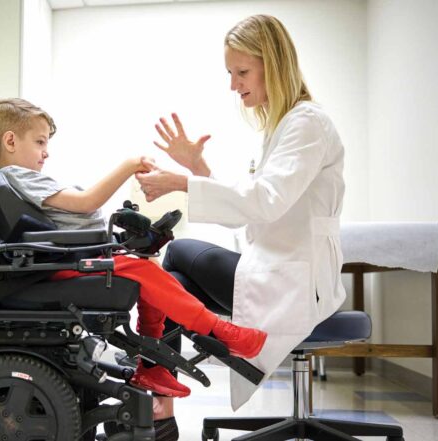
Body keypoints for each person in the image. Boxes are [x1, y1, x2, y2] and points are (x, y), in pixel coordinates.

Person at [0, 98, 267, 436]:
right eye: (40, 141)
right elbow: (86, 202)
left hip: (67, 257)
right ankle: (219, 332)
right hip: (61, 263)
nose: (46, 152)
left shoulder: (16, 178)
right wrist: (129, 165)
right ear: (11, 141)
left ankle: (150, 364)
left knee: (148, 267)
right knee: (145, 271)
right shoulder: (20, 175)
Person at [136, 14, 347, 410]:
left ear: (274, 63)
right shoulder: (282, 129)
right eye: (231, 73)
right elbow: (249, 206)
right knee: (171, 282)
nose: (234, 85)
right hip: (275, 268)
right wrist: (197, 168)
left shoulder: (308, 124)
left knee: (175, 257)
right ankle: (161, 397)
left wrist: (183, 182)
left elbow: (262, 202)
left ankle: (160, 390)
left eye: (242, 71)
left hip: (297, 280)